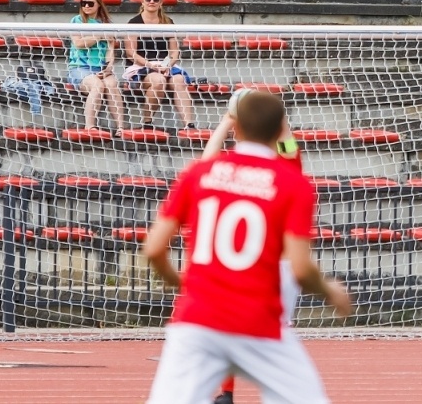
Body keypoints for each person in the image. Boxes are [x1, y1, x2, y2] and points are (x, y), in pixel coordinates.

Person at [143, 90, 351, 404]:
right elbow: (302, 267)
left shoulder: (201, 173)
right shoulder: (291, 182)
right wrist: (330, 292)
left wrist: (227, 121)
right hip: (258, 315)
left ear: (237, 127)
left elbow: (153, 248)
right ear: (279, 128)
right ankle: (227, 391)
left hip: (199, 315)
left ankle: (226, 391)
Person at [69, 0, 125, 133]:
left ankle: (120, 127)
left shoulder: (107, 24)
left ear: (98, 4)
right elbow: (79, 43)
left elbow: (110, 50)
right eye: (83, 3)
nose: (86, 6)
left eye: (90, 3)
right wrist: (99, 35)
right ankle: (90, 126)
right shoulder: (77, 21)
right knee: (97, 85)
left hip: (101, 68)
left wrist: (108, 68)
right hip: (80, 67)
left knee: (112, 85)